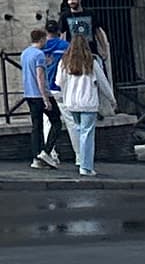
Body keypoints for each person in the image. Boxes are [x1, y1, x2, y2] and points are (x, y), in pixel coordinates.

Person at [56, 34, 108, 176]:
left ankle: (81, 159)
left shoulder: (64, 63)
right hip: (88, 103)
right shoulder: (91, 62)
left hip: (72, 103)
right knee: (87, 134)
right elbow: (103, 83)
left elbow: (58, 82)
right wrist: (111, 99)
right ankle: (86, 166)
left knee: (79, 131)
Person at [18, 22, 63, 168]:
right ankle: (46, 151)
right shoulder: (39, 55)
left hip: (29, 93)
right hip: (40, 94)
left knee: (36, 126)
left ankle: (36, 157)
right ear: (42, 39)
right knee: (56, 122)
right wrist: (46, 98)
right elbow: (40, 77)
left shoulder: (25, 53)